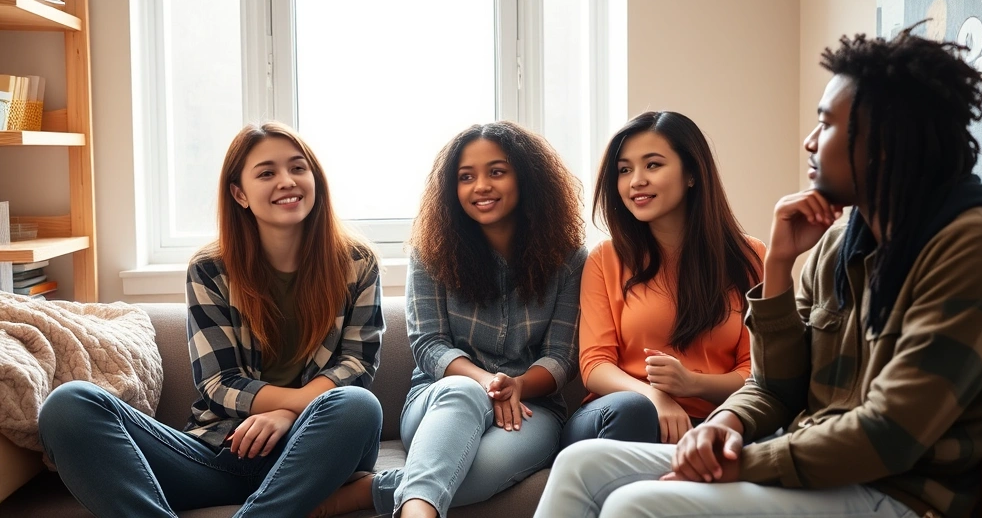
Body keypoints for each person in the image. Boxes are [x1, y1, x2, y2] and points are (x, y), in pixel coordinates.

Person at [534, 28, 982, 518]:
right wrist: (723, 424)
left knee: (635, 505)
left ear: (883, 142)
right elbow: (775, 385)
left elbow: (892, 434)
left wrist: (748, 461)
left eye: (827, 125)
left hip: (900, 491)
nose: (809, 141)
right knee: (581, 465)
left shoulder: (975, 246)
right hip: (809, 461)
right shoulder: (840, 240)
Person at [38, 122, 385, 517]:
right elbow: (219, 382)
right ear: (239, 194)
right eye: (267, 173)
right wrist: (291, 406)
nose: (287, 181)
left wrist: (290, 414)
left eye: (298, 168)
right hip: (221, 452)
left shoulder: (356, 263)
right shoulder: (210, 269)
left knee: (358, 404)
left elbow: (357, 364)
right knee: (68, 405)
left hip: (315, 452)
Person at [311, 121, 588, 518]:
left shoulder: (570, 259)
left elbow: (562, 355)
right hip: (439, 398)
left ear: (526, 178)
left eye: (497, 171)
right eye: (466, 177)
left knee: (483, 470)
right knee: (464, 391)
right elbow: (428, 344)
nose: (481, 186)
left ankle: (370, 491)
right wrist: (484, 382)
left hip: (531, 406)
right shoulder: (430, 253)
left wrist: (518, 385)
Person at [561, 111, 764, 448]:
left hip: (715, 417)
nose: (635, 180)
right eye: (624, 170)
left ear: (692, 174)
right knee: (633, 411)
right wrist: (655, 397)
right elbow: (595, 365)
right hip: (617, 414)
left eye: (652, 165)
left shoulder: (750, 257)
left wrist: (693, 385)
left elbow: (755, 371)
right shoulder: (605, 258)